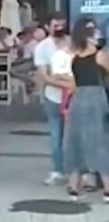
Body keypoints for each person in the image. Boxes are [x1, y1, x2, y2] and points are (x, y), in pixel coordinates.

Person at [61, 18, 109, 202]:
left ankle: (73, 187)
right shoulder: (100, 55)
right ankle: (107, 189)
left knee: (75, 141)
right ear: (89, 36)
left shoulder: (76, 57)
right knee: (99, 142)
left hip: (77, 100)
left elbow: (73, 84)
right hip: (96, 99)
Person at [33, 12, 71, 186]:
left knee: (75, 135)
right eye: (56, 25)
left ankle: (78, 170)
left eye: (62, 24)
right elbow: (44, 75)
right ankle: (57, 170)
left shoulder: (73, 43)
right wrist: (66, 84)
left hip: (74, 97)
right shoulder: (42, 48)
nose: (60, 28)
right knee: (56, 135)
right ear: (48, 27)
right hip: (53, 97)